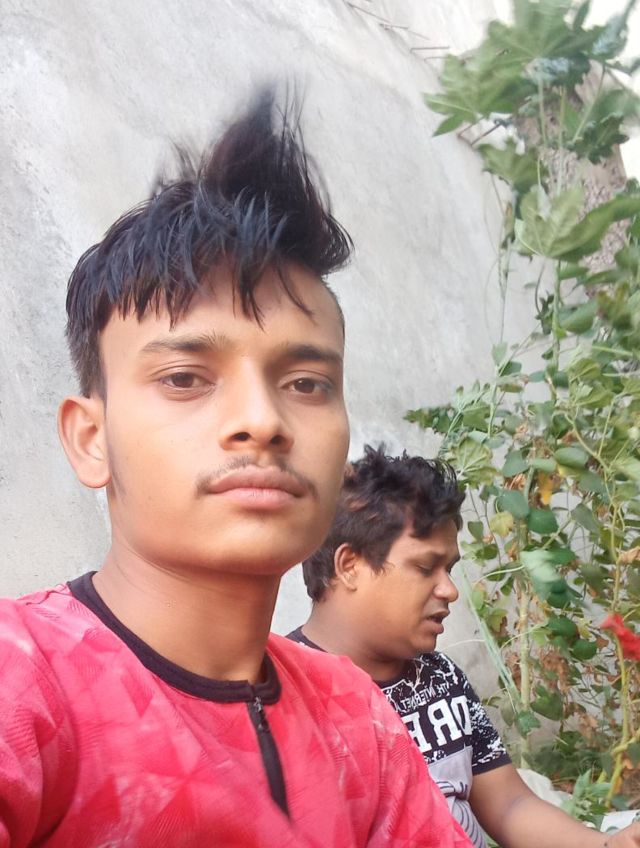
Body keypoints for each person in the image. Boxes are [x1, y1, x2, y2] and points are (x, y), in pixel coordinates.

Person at [0, 92, 472, 847]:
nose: (263, 419)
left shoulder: (357, 716)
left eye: (306, 384)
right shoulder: (23, 681)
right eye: (185, 377)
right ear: (91, 439)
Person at [289, 445, 640, 848]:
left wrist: (606, 845)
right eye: (426, 567)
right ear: (350, 566)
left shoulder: (440, 677)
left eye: (450, 570)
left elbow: (509, 805)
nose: (450, 590)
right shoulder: (286, 695)